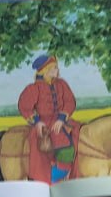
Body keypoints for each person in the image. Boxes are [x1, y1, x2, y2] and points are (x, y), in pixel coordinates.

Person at [17, 53, 78, 182]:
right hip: (44, 124)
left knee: (79, 135)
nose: (57, 70)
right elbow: (24, 106)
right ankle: (49, 179)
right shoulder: (34, 88)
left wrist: (61, 119)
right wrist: (37, 122)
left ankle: (72, 174)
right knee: (41, 150)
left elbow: (70, 101)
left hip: (62, 121)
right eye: (54, 67)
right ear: (46, 70)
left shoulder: (61, 84)